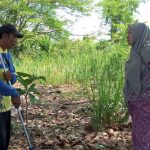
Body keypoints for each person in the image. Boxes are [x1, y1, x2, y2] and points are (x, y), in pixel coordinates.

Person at [124, 23, 150, 150]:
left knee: (141, 141)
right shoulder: (136, 50)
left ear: (138, 33)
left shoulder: (147, 48)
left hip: (144, 103)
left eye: (130, 32)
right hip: (137, 103)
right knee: (139, 137)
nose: (127, 35)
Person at [0, 23, 23, 150]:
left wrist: (11, 77)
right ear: (4, 35)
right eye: (13, 37)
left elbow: (13, 77)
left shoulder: (7, 54)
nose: (15, 40)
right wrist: (14, 93)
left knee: (5, 140)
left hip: (5, 106)